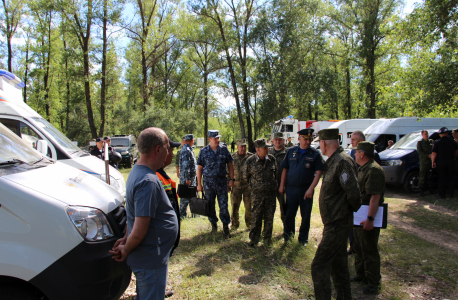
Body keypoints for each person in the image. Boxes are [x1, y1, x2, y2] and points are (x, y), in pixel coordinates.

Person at [109, 127, 178, 300]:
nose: (169, 152)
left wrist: (125, 238)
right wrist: (125, 248)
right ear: (158, 149)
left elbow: (132, 213)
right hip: (150, 259)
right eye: (167, 147)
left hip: (151, 256)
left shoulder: (137, 172)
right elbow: (139, 230)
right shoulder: (148, 181)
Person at [311, 128, 361, 300]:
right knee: (339, 266)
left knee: (319, 265)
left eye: (320, 143)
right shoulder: (333, 161)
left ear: (324, 143)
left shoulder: (342, 162)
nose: (320, 146)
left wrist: (343, 213)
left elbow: (354, 194)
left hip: (337, 224)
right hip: (333, 223)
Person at [279, 128, 323, 245]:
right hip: (291, 189)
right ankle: (288, 236)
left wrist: (311, 188)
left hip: (306, 189)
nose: (308, 142)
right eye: (305, 139)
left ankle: (303, 239)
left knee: (306, 215)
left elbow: (319, 172)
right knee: (289, 214)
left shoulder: (315, 154)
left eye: (310, 139)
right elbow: (285, 169)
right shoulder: (291, 151)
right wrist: (282, 186)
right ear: (299, 139)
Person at [353, 141, 385, 295]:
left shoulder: (373, 170)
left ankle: (373, 281)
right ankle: (361, 274)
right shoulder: (363, 169)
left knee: (369, 249)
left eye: (356, 151)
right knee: (359, 246)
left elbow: (375, 197)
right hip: (359, 214)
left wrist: (370, 219)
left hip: (368, 215)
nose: (354, 154)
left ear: (362, 154)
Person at [347, 130, 381, 254]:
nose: (351, 142)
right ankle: (353, 246)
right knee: (353, 225)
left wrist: (371, 218)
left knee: (367, 243)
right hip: (355, 194)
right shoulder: (351, 152)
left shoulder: (373, 158)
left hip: (366, 197)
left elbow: (375, 192)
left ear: (361, 141)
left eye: (354, 140)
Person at [156, 139, 182, 298]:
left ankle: (159, 288)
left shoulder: (161, 174)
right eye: (170, 151)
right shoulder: (155, 178)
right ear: (160, 152)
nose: (172, 154)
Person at [196, 130, 234, 238]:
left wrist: (232, 179)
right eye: (215, 138)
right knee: (210, 206)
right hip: (208, 184)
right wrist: (199, 184)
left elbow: (230, 164)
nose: (218, 140)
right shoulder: (203, 151)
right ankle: (214, 226)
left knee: (224, 206)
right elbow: (199, 168)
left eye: (218, 138)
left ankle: (226, 228)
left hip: (222, 183)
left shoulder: (224, 149)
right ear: (209, 139)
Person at [243, 138, 277, 247]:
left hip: (270, 195)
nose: (268, 149)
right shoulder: (250, 161)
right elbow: (245, 177)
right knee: (256, 217)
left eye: (268, 147)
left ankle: (267, 239)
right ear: (258, 150)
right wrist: (255, 186)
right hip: (257, 196)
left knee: (269, 217)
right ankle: (254, 239)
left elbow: (276, 174)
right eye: (265, 148)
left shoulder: (272, 159)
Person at [228, 138, 253, 230]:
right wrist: (228, 184)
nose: (243, 148)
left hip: (248, 187)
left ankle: (250, 224)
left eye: (244, 146)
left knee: (249, 207)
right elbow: (228, 171)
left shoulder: (251, 157)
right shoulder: (232, 157)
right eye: (241, 146)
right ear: (237, 147)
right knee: (234, 207)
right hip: (236, 187)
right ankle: (234, 224)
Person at [431, 127, 458, 198]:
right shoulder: (453, 142)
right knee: (451, 178)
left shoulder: (437, 142)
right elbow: (456, 152)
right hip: (451, 161)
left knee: (441, 178)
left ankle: (441, 194)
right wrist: (454, 158)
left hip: (441, 162)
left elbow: (434, 153)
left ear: (440, 134)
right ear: (447, 133)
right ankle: (451, 193)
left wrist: (433, 162)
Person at [268, 132, 287, 225]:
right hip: (270, 186)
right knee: (269, 210)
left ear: (283, 140)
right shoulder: (268, 152)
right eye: (276, 140)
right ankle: (267, 230)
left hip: (283, 186)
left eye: (280, 140)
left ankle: (286, 229)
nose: (278, 141)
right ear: (273, 141)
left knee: (284, 208)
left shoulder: (288, 152)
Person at [179, 134, 197, 218]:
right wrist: (187, 178)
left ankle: (194, 214)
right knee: (185, 197)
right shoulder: (186, 150)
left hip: (190, 178)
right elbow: (186, 165)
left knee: (191, 195)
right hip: (187, 178)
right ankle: (182, 214)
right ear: (192, 141)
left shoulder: (187, 149)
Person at [417, 130, 434, 197]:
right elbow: (420, 152)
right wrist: (428, 155)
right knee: (423, 176)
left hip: (431, 161)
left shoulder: (431, 141)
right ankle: (421, 190)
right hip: (424, 162)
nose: (426, 135)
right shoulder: (420, 143)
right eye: (425, 134)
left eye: (427, 134)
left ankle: (431, 189)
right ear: (422, 135)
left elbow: (434, 149)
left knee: (431, 176)